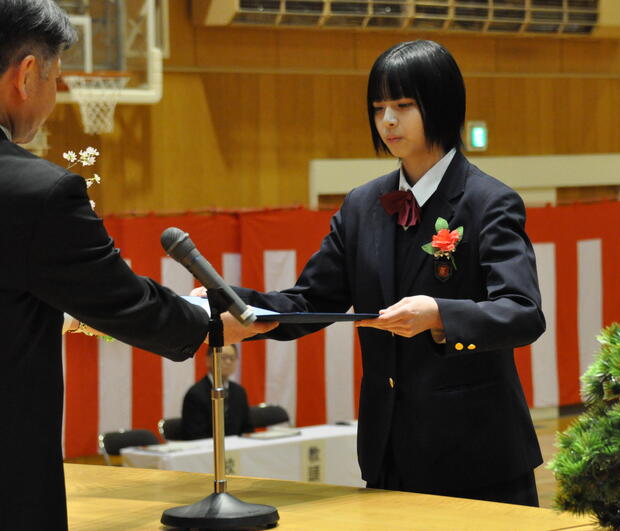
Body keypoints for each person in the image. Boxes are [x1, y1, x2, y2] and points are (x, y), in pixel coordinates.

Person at [200, 40, 546, 505]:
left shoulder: (489, 201)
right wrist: (234, 305)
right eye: (378, 107)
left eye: (403, 105)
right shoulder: (362, 205)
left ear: (442, 104)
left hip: (478, 454)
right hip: (389, 452)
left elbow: (522, 313)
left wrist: (439, 314)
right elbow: (310, 300)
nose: (387, 121)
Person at [0, 2, 274, 528]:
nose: (55, 95)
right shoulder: (36, 193)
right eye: (56, 79)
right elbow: (123, 300)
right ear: (27, 74)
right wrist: (209, 320)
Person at [182, 344, 254, 439]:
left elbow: (247, 428)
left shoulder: (239, 392)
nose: (228, 362)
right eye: (223, 357)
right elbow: (195, 434)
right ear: (208, 360)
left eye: (232, 358)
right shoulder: (195, 394)